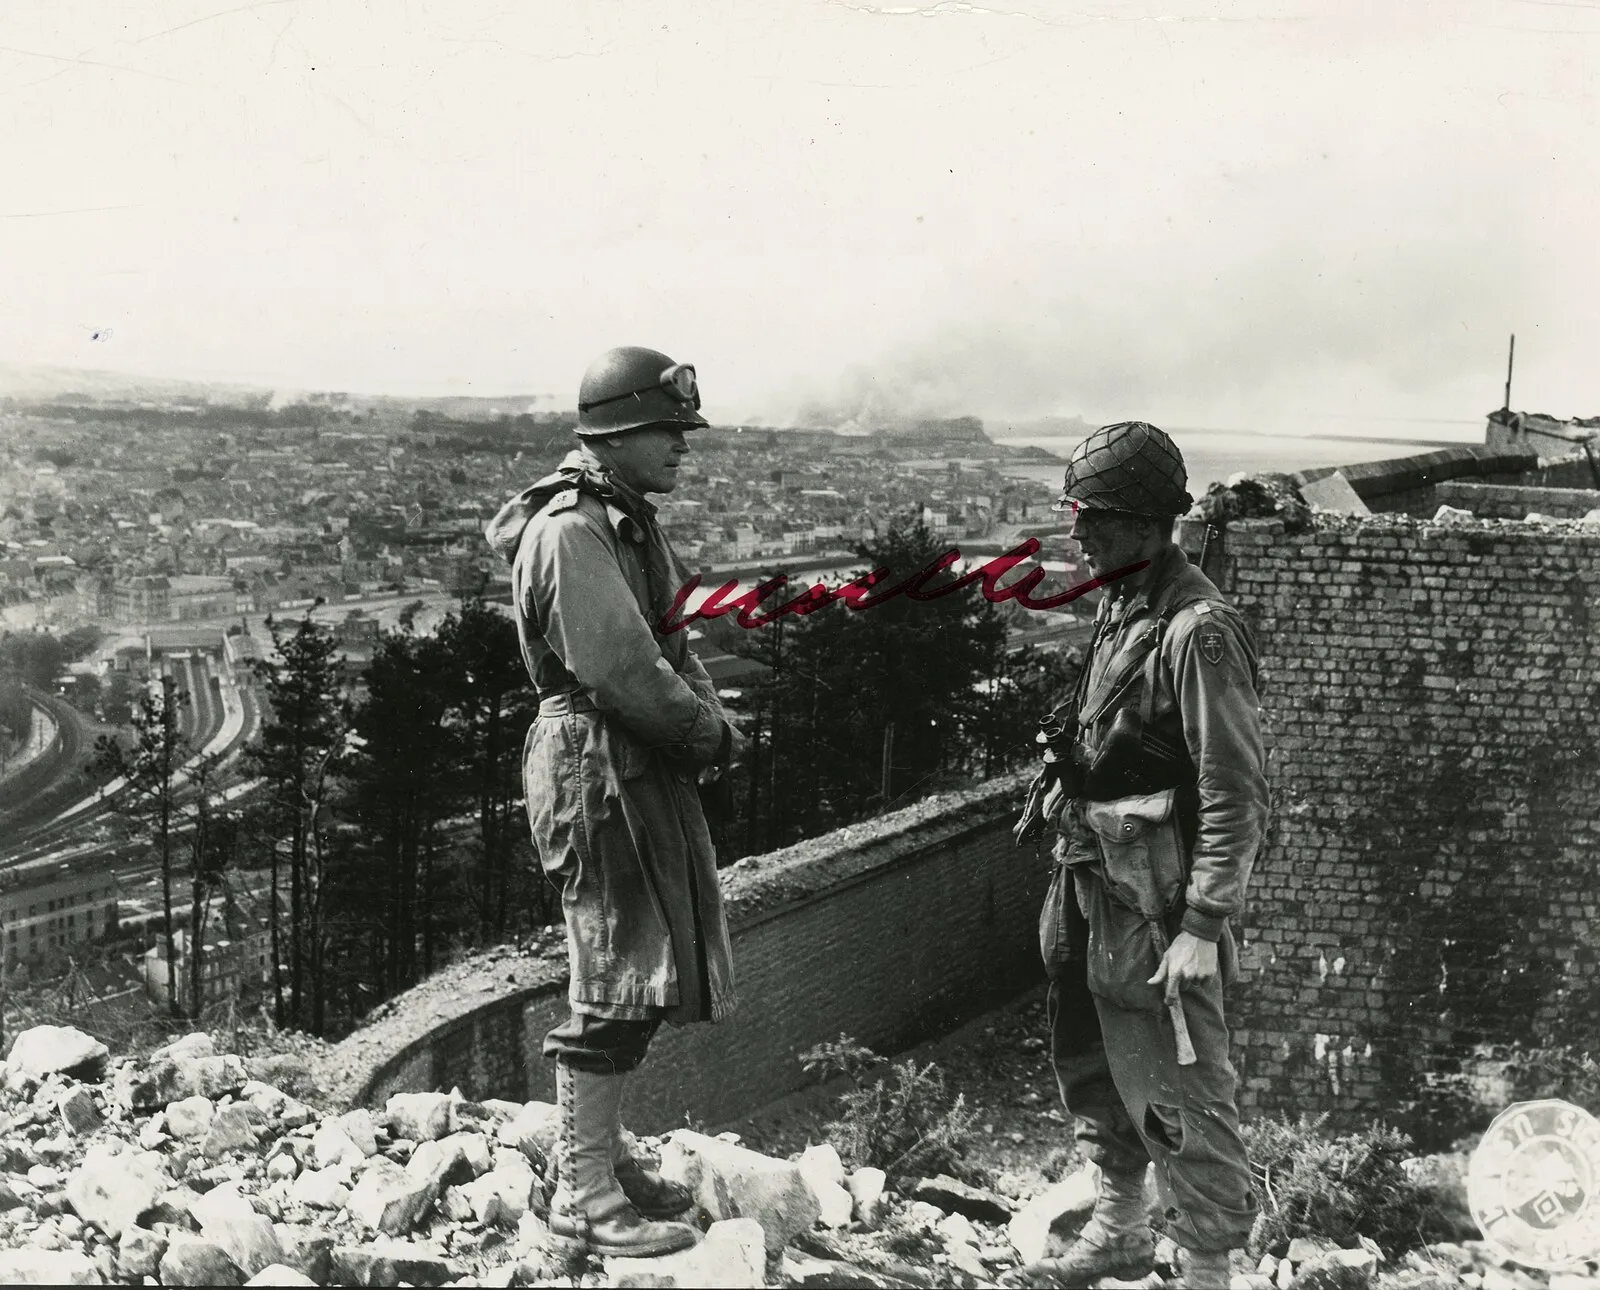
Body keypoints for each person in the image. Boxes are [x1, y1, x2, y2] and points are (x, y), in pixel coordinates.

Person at [485, 346, 747, 1259]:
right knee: (612, 970)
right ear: (619, 432)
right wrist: (705, 734)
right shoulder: (574, 530)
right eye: (670, 430)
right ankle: (585, 1193)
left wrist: (708, 722)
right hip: (597, 761)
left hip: (630, 757)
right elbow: (623, 668)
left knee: (638, 966)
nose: (684, 446)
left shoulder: (625, 521)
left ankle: (592, 1164)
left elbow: (673, 646)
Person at [1007, 422, 1269, 1290]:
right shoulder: (1127, 603)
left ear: (1150, 525)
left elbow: (1234, 788)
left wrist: (1204, 923)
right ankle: (1120, 1228)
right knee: (1088, 1057)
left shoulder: (1199, 630)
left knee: (1187, 1090)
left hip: (1159, 904)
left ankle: (1205, 1270)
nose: (1078, 534)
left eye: (1095, 518)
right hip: (1096, 882)